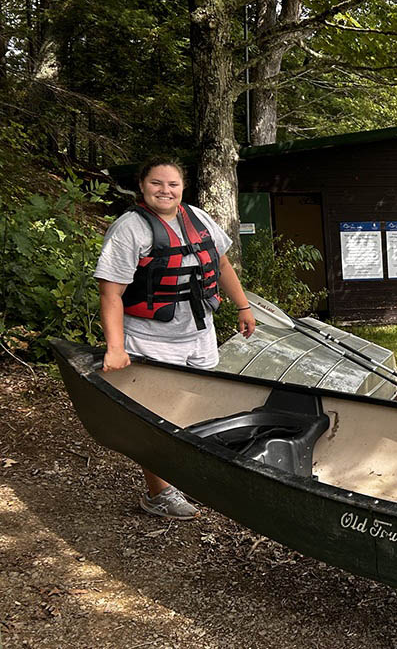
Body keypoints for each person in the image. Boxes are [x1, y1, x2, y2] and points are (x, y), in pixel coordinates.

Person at [95, 156, 256, 520]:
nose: (165, 191)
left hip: (199, 333)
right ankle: (159, 494)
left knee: (200, 406)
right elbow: (110, 294)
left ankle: (189, 474)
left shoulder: (198, 217)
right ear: (142, 185)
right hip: (150, 338)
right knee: (155, 416)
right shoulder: (130, 229)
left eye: (172, 184)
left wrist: (243, 306)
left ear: (183, 188)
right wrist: (116, 348)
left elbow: (223, 263)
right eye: (156, 183)